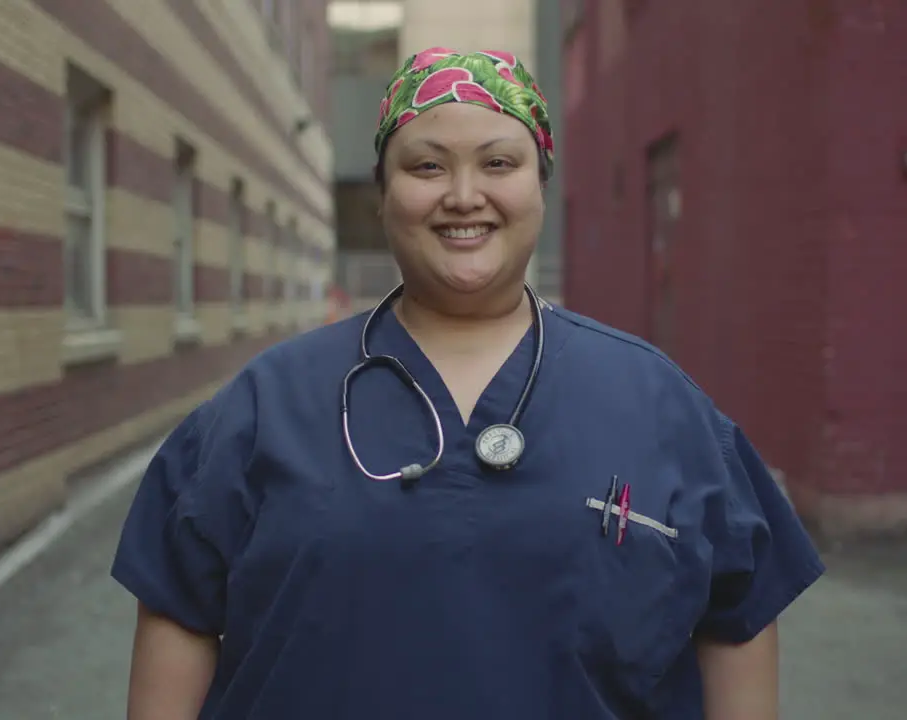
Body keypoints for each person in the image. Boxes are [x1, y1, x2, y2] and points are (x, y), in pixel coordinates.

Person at [112, 46, 824, 720]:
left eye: (498, 162)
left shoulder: (658, 402)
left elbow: (739, 612)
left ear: (539, 185)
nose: (462, 195)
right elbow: (180, 612)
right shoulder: (267, 405)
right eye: (426, 166)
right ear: (383, 195)